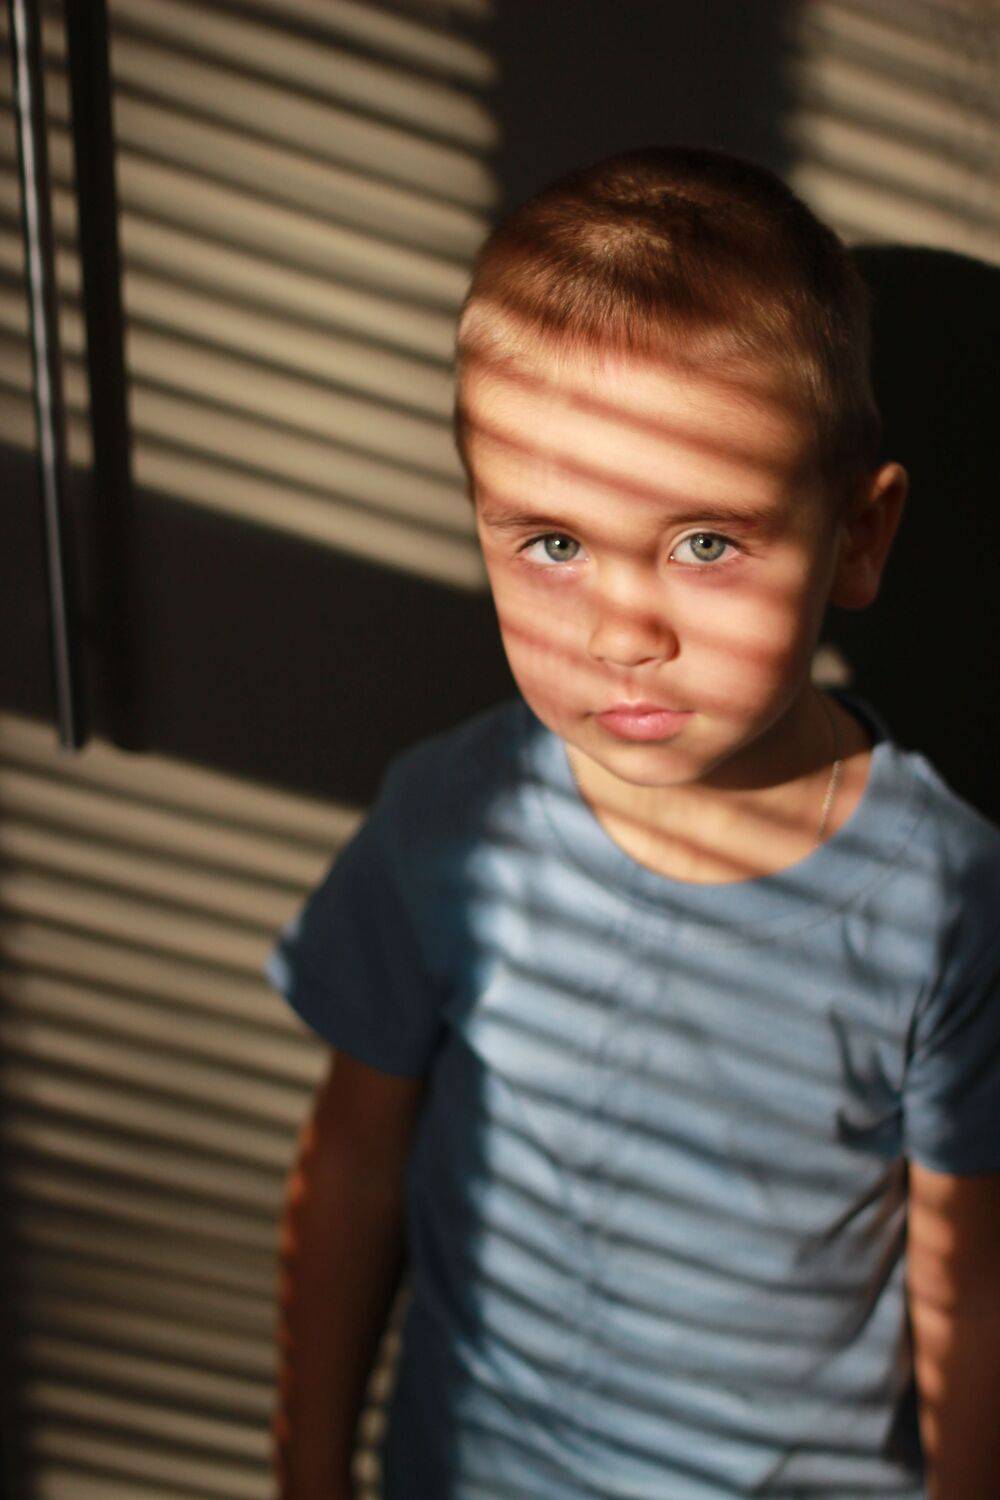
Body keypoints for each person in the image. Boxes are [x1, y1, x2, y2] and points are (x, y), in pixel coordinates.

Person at [264, 147, 1000, 1500]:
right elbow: (356, 1169)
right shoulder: (450, 824)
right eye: (553, 544)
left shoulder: (946, 896)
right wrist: (309, 1476)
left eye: (705, 543)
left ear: (859, 537)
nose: (621, 635)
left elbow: (969, 1282)